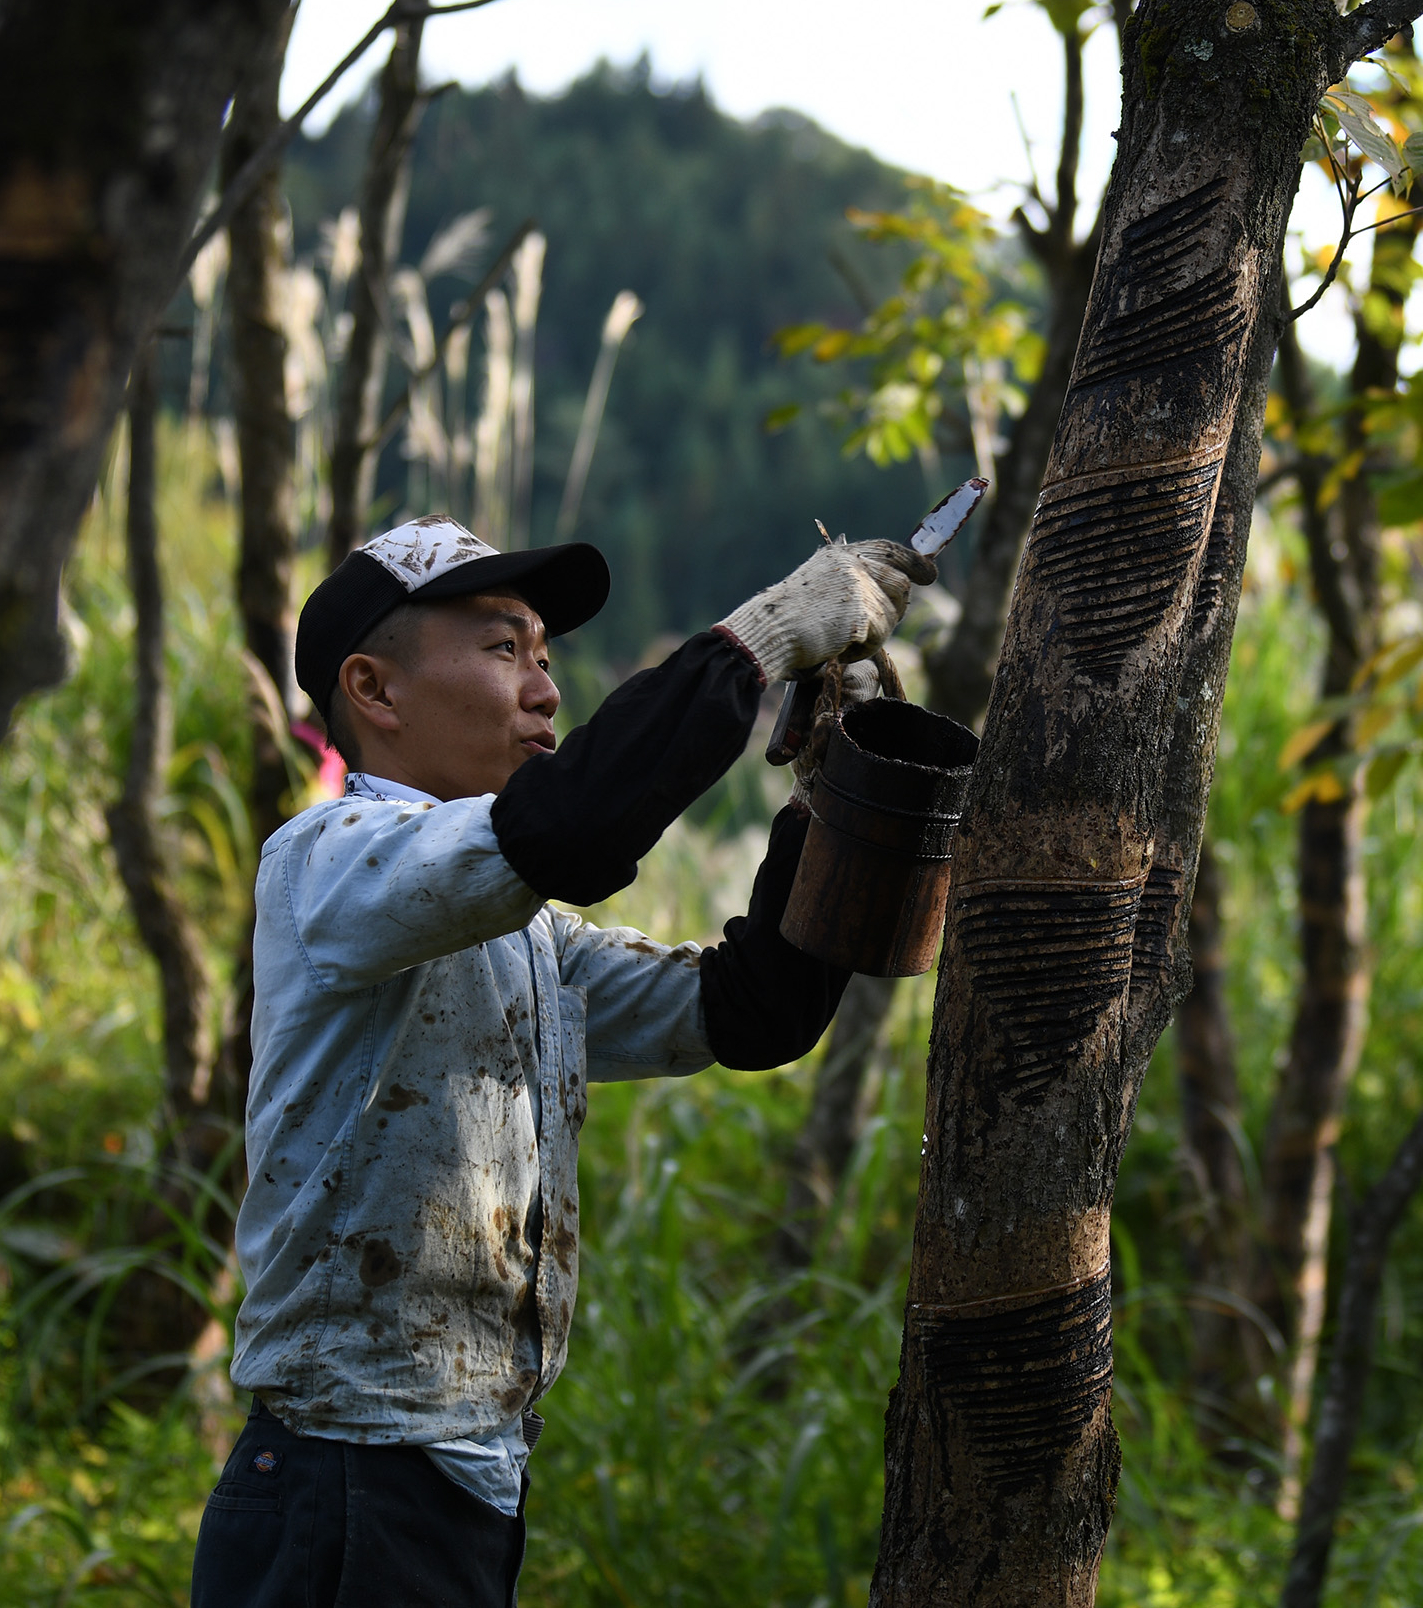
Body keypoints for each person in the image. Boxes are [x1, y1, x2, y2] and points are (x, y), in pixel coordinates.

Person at [189, 514, 932, 1607]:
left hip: (459, 1481)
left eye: (543, 654)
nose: (544, 687)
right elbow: (571, 828)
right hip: (344, 1480)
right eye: (501, 648)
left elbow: (747, 1010)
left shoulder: (525, 936)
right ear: (373, 688)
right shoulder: (328, 864)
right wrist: (762, 640)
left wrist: (831, 789)